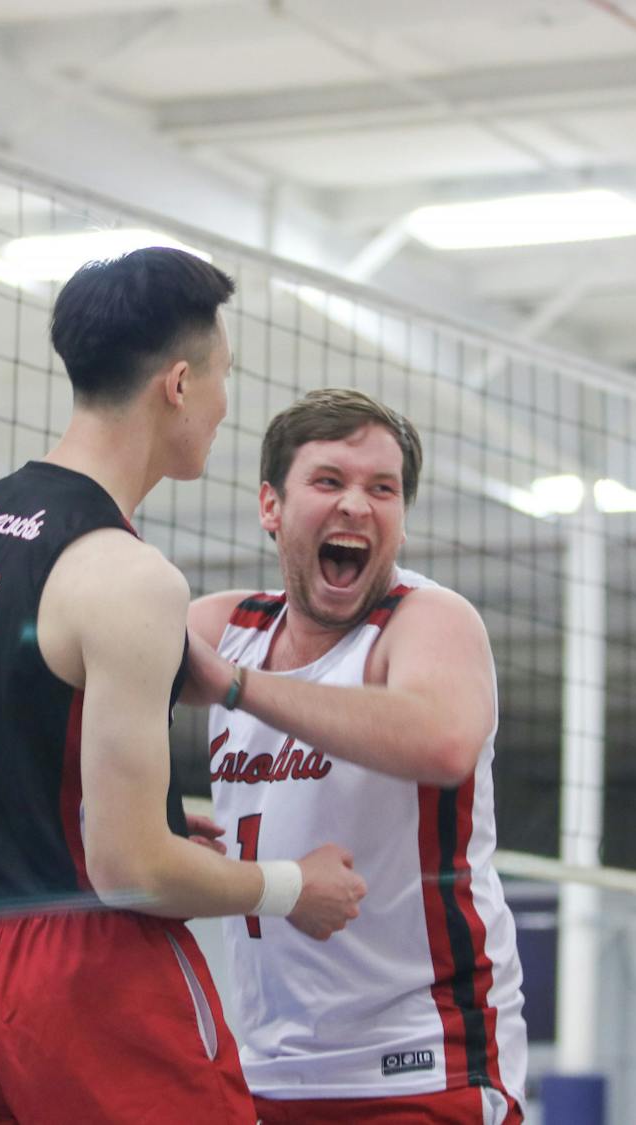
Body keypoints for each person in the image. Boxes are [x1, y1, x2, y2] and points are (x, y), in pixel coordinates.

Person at [0, 249, 366, 1124]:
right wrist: (292, 886)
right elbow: (130, 867)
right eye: (223, 378)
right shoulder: (130, 577)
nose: (224, 405)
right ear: (178, 384)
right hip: (97, 991)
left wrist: (104, 823)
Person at [184, 388, 527, 1125]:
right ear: (271, 506)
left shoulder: (426, 619)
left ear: (401, 520)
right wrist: (140, 814)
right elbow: (76, 719)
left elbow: (441, 739)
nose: (357, 506)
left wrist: (238, 687)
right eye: (330, 481)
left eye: (383, 488)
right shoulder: (223, 625)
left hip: (422, 1061)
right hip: (266, 1067)